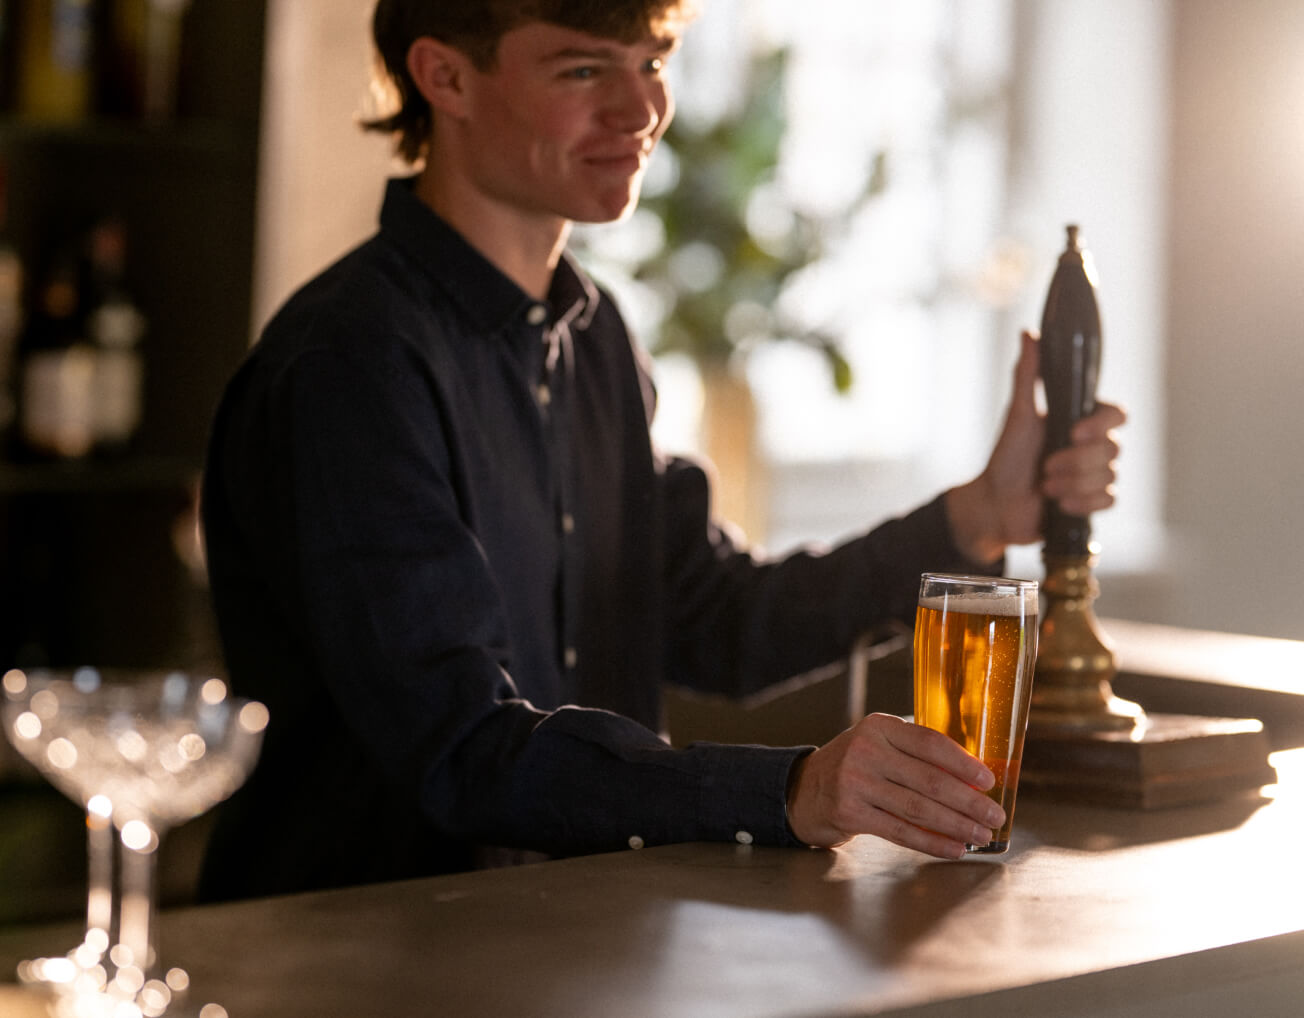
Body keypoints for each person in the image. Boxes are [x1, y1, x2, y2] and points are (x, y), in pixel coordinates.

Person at [197, 0, 1124, 902]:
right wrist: (793, 790)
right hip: (351, 967)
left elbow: (716, 619)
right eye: (583, 68)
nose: (641, 110)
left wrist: (979, 516)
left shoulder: (596, 340)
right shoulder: (351, 365)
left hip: (569, 950)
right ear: (445, 76)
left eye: (651, 64)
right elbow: (462, 746)